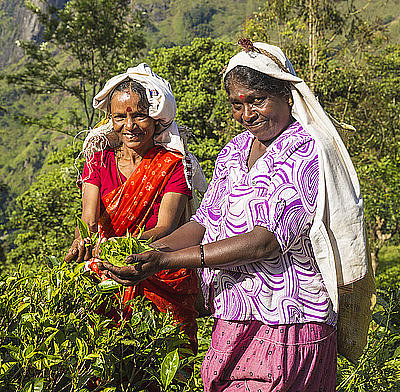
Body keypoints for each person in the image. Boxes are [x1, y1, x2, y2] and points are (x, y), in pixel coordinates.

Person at [98, 41, 369, 392]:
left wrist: (164, 260)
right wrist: (134, 252)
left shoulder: (307, 148)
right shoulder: (234, 151)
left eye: (257, 100)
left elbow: (264, 241)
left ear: (286, 95)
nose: (247, 114)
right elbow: (203, 223)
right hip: (234, 314)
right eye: (237, 104)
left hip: (291, 318)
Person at [65, 63, 207, 350]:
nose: (129, 126)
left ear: (156, 120)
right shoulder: (99, 162)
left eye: (140, 115)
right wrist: (82, 241)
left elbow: (165, 226)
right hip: (107, 273)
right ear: (111, 119)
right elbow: (89, 218)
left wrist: (120, 246)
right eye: (120, 117)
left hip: (159, 271)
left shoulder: (173, 166)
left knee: (165, 361)